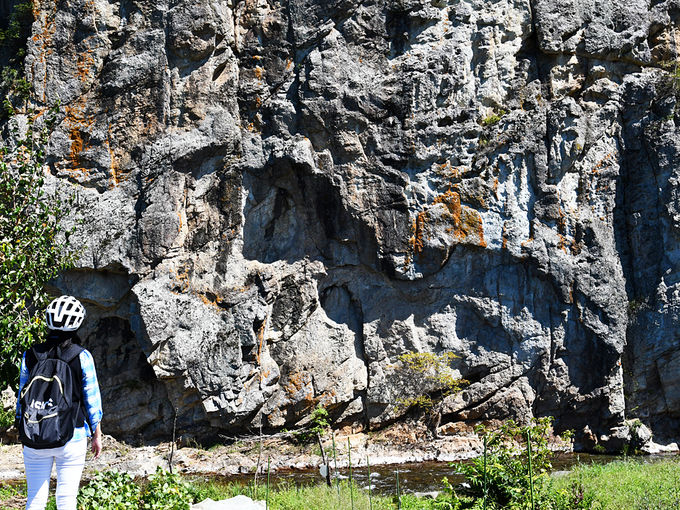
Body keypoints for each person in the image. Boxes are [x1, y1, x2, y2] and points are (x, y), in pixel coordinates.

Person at [15, 295, 103, 510]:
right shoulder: (82, 356)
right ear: (77, 323)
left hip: (34, 435)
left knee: (34, 500)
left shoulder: (30, 355)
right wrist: (96, 434)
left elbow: (22, 398)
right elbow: (92, 399)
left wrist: (21, 428)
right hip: (72, 436)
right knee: (66, 500)